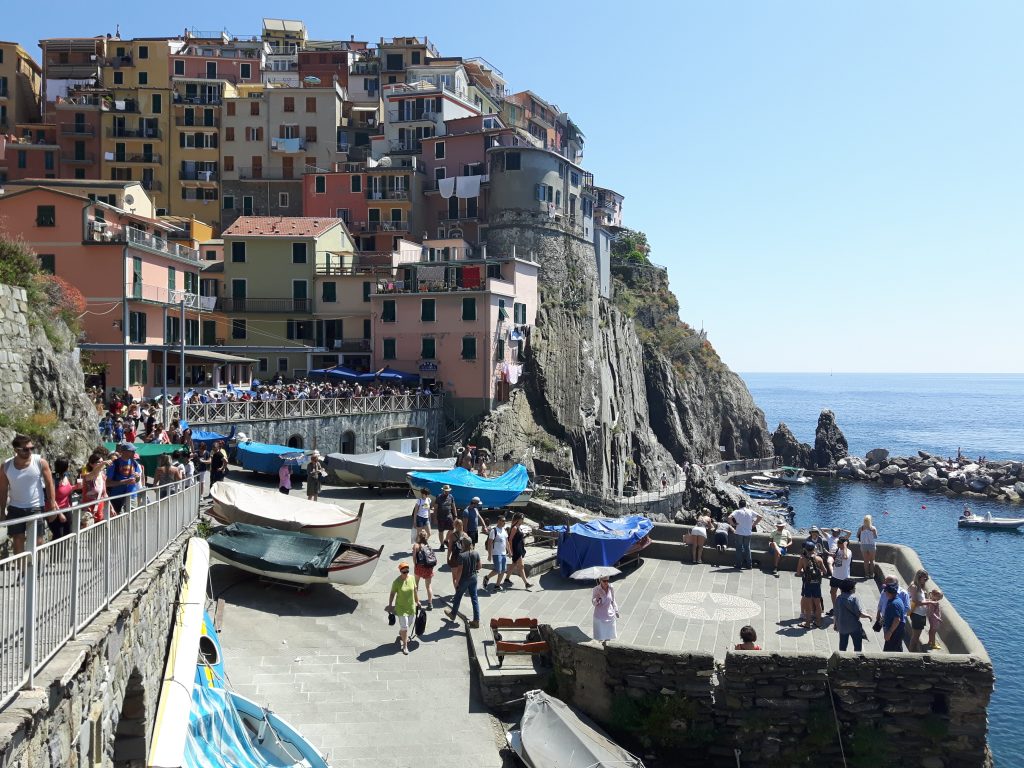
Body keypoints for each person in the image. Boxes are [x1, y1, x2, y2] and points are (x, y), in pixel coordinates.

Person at [0, 435, 58, 553]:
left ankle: (36, 569)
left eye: (32, 448)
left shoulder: (40, 462)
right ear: (16, 450)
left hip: (36, 507)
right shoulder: (6, 466)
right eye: (26, 449)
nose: (30, 451)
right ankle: (22, 570)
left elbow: (49, 484)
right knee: (18, 540)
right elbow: (3, 489)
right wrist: (2, 511)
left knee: (38, 541)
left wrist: (52, 506)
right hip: (15, 508)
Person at [446, 537, 481, 629]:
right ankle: (476, 620)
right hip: (474, 577)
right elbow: (480, 566)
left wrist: (457, 582)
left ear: (464, 545)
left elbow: (460, 570)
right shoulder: (476, 553)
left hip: (464, 579)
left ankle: (453, 614)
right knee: (474, 598)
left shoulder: (461, 556)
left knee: (458, 596)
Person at [387, 562, 420, 655]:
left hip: (411, 606)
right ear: (400, 571)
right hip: (401, 608)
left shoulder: (412, 578)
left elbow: (415, 591)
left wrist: (418, 601)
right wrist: (390, 605)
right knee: (405, 628)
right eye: (404, 572)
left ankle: (401, 632)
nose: (406, 573)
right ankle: (405, 646)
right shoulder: (396, 582)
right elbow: (392, 594)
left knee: (408, 624)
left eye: (407, 571)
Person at [106, 442, 143, 516]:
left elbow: (137, 480)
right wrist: (125, 482)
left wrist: (138, 477)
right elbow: (107, 483)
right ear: (124, 452)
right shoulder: (114, 464)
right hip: (117, 496)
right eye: (132, 451)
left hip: (132, 496)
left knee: (132, 519)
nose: (134, 452)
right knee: (118, 521)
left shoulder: (134, 463)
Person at [833, 579, 871, 651]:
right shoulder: (854, 599)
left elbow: (836, 613)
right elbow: (859, 613)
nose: (855, 588)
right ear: (850, 589)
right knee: (857, 646)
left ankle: (842, 659)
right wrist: (868, 616)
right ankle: (858, 659)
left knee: (843, 646)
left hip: (842, 626)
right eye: (854, 587)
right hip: (854, 627)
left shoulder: (838, 598)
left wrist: (835, 624)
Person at [795, 541, 826, 629]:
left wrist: (803, 573)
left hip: (807, 584)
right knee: (817, 603)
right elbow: (825, 571)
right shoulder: (819, 559)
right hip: (817, 584)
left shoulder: (802, 559)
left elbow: (798, 573)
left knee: (808, 605)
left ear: (805, 549)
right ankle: (818, 622)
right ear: (814, 549)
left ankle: (807, 623)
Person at [48, 457, 77, 540]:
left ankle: (63, 553)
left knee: (68, 534)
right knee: (59, 536)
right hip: (56, 511)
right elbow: (52, 497)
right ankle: (55, 553)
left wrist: (75, 487)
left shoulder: (66, 476)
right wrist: (59, 513)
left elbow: (67, 491)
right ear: (66, 467)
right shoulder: (54, 479)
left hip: (67, 509)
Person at [728, 500, 761, 569]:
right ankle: (749, 565)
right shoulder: (750, 511)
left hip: (739, 532)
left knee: (739, 549)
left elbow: (729, 518)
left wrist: (733, 524)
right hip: (748, 533)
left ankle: (738, 565)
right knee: (747, 548)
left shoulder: (737, 511)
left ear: (739, 505)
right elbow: (760, 517)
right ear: (745, 505)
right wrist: (753, 525)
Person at [81, 452, 110, 524]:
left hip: (100, 511)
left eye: (102, 462)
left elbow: (105, 494)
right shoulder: (88, 476)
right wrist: (103, 464)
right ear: (91, 464)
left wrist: (111, 508)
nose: (101, 464)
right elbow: (94, 473)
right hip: (88, 512)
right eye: (98, 462)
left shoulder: (103, 476)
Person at [483, 513, 510, 590]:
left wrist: (510, 552)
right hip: (496, 553)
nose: (504, 522)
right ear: (498, 521)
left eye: (505, 521)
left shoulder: (504, 530)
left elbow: (507, 542)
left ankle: (497, 585)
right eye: (502, 521)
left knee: (503, 570)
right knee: (498, 570)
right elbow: (490, 543)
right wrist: (489, 554)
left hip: (503, 553)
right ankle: (487, 577)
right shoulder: (493, 531)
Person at [506, 511, 533, 589]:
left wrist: (525, 536)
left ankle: (507, 578)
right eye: (522, 519)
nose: (523, 520)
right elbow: (510, 540)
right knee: (521, 566)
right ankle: (526, 583)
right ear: (518, 519)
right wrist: (510, 551)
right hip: (516, 549)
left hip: (519, 547)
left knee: (514, 564)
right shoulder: (514, 528)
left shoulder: (518, 527)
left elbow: (518, 538)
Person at [412, 527, 437, 610]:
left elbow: (414, 558)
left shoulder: (416, 546)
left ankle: (416, 602)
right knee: (428, 586)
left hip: (419, 567)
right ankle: (430, 603)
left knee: (416, 585)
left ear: (419, 537)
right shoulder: (428, 546)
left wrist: (415, 565)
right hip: (428, 567)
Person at [828, 537, 854, 616]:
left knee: (844, 595)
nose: (838, 545)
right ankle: (835, 608)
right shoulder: (838, 549)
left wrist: (845, 546)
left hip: (844, 578)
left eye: (839, 544)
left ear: (844, 544)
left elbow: (845, 557)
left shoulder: (848, 552)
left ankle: (844, 609)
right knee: (832, 592)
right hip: (835, 576)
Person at [907, 569, 931, 652]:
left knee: (918, 635)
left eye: (927, 579)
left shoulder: (921, 586)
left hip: (921, 614)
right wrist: (929, 602)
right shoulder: (914, 586)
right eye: (925, 579)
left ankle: (913, 651)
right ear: (919, 577)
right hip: (916, 614)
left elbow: (922, 599)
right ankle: (911, 653)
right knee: (915, 636)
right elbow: (915, 602)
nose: (926, 580)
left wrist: (929, 601)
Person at [592, 576, 619, 643]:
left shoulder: (611, 588)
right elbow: (594, 603)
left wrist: (616, 610)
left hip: (610, 615)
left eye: (607, 580)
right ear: (600, 581)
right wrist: (597, 598)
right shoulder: (596, 589)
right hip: (600, 617)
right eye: (604, 581)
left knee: (608, 637)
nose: (606, 582)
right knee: (600, 638)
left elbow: (613, 600)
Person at [882, 582, 907, 652]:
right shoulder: (897, 600)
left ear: (889, 593)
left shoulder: (894, 604)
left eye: (885, 591)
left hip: (895, 633)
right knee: (897, 649)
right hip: (898, 631)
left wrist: (889, 632)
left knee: (889, 652)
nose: (884, 592)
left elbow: (897, 620)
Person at [446, 519, 471, 588]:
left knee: (454, 577)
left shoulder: (452, 536)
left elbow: (450, 549)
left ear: (455, 526)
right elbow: (468, 548)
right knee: (462, 576)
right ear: (462, 525)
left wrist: (448, 558)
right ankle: (461, 589)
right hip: (463, 558)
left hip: (455, 557)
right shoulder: (465, 535)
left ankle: (457, 592)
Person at [433, 484, 458, 551]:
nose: (447, 492)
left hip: (449, 516)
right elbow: (435, 508)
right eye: (446, 491)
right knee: (441, 531)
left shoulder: (451, 497)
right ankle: (442, 544)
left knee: (452, 529)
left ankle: (446, 540)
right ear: (443, 490)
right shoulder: (438, 497)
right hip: (440, 517)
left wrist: (455, 516)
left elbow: (453, 506)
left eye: (448, 491)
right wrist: (435, 518)